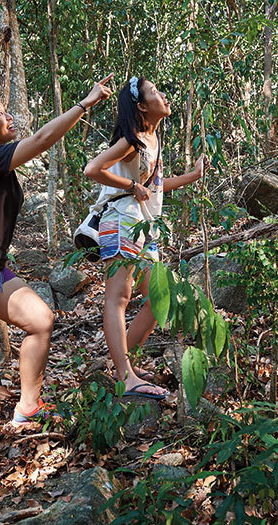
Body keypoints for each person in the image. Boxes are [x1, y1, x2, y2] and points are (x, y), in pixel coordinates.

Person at [0, 78, 113, 469]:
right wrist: (85, 102)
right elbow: (45, 138)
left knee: (41, 319)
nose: (7, 117)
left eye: (5, 111)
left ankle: (28, 407)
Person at [83, 76, 206, 399]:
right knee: (118, 299)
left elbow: (152, 187)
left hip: (143, 226)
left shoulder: (152, 139)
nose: (163, 95)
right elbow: (93, 169)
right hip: (121, 222)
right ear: (141, 107)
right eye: (155, 93)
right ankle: (125, 376)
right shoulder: (132, 140)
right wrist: (130, 186)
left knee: (159, 299)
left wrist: (193, 175)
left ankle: (127, 366)